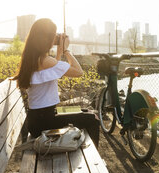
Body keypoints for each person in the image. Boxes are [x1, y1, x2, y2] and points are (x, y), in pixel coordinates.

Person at [13, 18, 99, 146]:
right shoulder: (45, 60)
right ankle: (93, 159)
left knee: (86, 111)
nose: (55, 38)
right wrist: (66, 50)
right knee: (93, 119)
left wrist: (58, 53)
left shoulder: (34, 58)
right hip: (45, 121)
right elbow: (78, 72)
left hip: (39, 118)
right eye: (54, 35)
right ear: (45, 38)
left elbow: (52, 72)